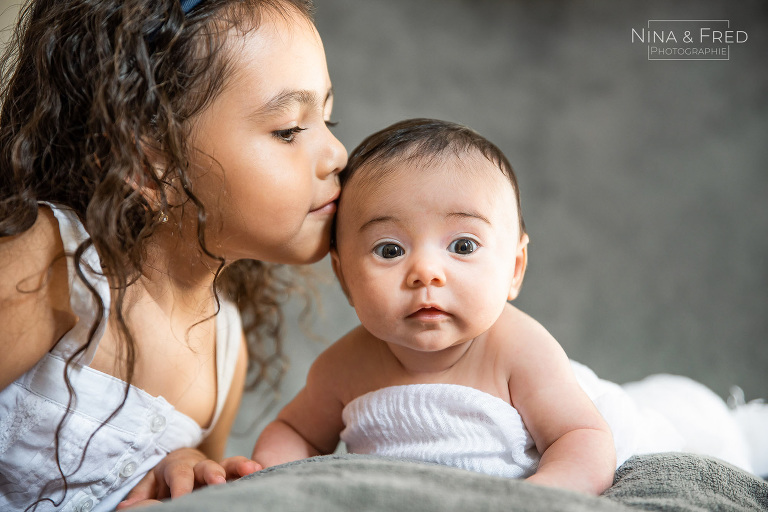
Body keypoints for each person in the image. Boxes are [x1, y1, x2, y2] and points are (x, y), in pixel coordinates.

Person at [251, 118, 768, 495]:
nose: (427, 272)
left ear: (515, 268)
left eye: (463, 246)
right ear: (344, 275)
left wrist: (539, 497)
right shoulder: (343, 368)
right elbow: (295, 432)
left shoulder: (516, 348)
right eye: (390, 250)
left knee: (705, 434)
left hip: (619, 427)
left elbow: (582, 437)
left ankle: (733, 424)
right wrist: (267, 476)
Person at [0, 0, 346, 510]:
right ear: (149, 160)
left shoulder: (226, 349)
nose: (337, 154)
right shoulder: (51, 264)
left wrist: (181, 470)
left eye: (329, 119)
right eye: (290, 130)